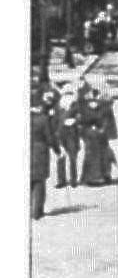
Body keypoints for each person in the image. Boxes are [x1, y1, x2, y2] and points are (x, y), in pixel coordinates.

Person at [79, 86, 117, 186]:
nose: (93, 103)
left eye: (95, 100)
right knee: (90, 156)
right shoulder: (84, 109)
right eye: (91, 100)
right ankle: (90, 178)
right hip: (90, 136)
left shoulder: (104, 108)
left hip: (101, 136)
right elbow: (82, 122)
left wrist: (102, 129)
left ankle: (105, 175)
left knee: (104, 155)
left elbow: (107, 120)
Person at [30, 88, 57, 220]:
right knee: (39, 183)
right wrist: (58, 151)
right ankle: (37, 211)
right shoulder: (43, 119)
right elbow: (50, 138)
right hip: (40, 152)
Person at [53, 86, 81, 189]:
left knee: (73, 156)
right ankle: (61, 180)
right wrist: (55, 132)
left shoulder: (76, 106)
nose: (68, 96)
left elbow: (81, 118)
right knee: (61, 156)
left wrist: (75, 121)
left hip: (72, 133)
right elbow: (54, 120)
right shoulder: (58, 106)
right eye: (66, 94)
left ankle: (73, 179)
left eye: (70, 94)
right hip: (60, 133)